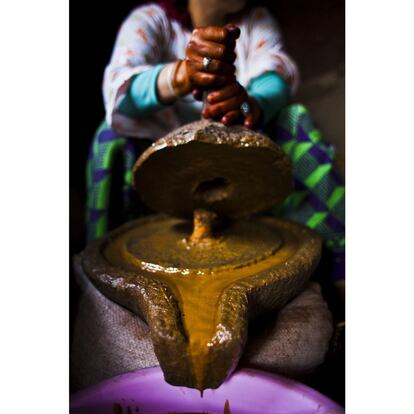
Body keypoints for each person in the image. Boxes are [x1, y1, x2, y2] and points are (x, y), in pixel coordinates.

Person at [76, 0, 345, 390]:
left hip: (238, 167)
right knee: (108, 136)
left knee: (295, 117)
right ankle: (90, 268)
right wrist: (183, 76)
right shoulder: (151, 22)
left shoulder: (254, 21)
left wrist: (247, 101)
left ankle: (340, 269)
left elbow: (276, 74)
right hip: (162, 174)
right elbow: (120, 91)